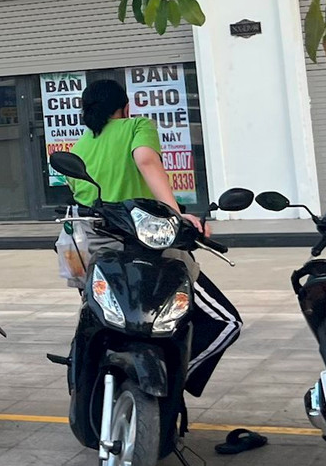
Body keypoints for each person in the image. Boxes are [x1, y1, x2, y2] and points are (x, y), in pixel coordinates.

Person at [65, 77, 241, 394]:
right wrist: (177, 214)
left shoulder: (79, 147)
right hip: (149, 248)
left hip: (98, 256)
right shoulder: (137, 126)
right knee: (226, 322)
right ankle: (172, 380)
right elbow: (146, 160)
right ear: (124, 107)